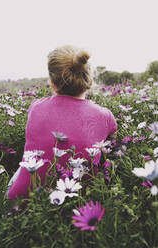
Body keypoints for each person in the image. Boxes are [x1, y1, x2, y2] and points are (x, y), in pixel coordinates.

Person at [7, 45, 117, 200]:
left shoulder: (36, 107)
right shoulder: (105, 116)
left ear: (52, 82)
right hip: (79, 203)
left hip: (22, 202)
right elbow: (113, 144)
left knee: (21, 168)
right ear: (88, 80)